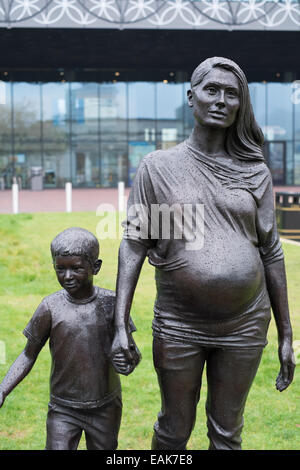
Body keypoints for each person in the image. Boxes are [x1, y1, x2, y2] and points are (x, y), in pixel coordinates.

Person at [111, 57, 295, 450]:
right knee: (173, 430)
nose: (221, 100)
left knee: (228, 434)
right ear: (191, 96)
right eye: (212, 90)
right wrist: (119, 322)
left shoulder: (255, 171)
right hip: (179, 323)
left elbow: (272, 251)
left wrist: (286, 334)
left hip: (246, 323)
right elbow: (134, 244)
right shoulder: (158, 167)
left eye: (232, 94)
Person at [0, 227, 140, 450]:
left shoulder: (112, 304)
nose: (67, 277)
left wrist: (129, 361)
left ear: (96, 267)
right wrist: (3, 389)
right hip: (63, 409)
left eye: (76, 269)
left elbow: (130, 351)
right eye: (60, 269)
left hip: (105, 406)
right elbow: (28, 354)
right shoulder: (49, 308)